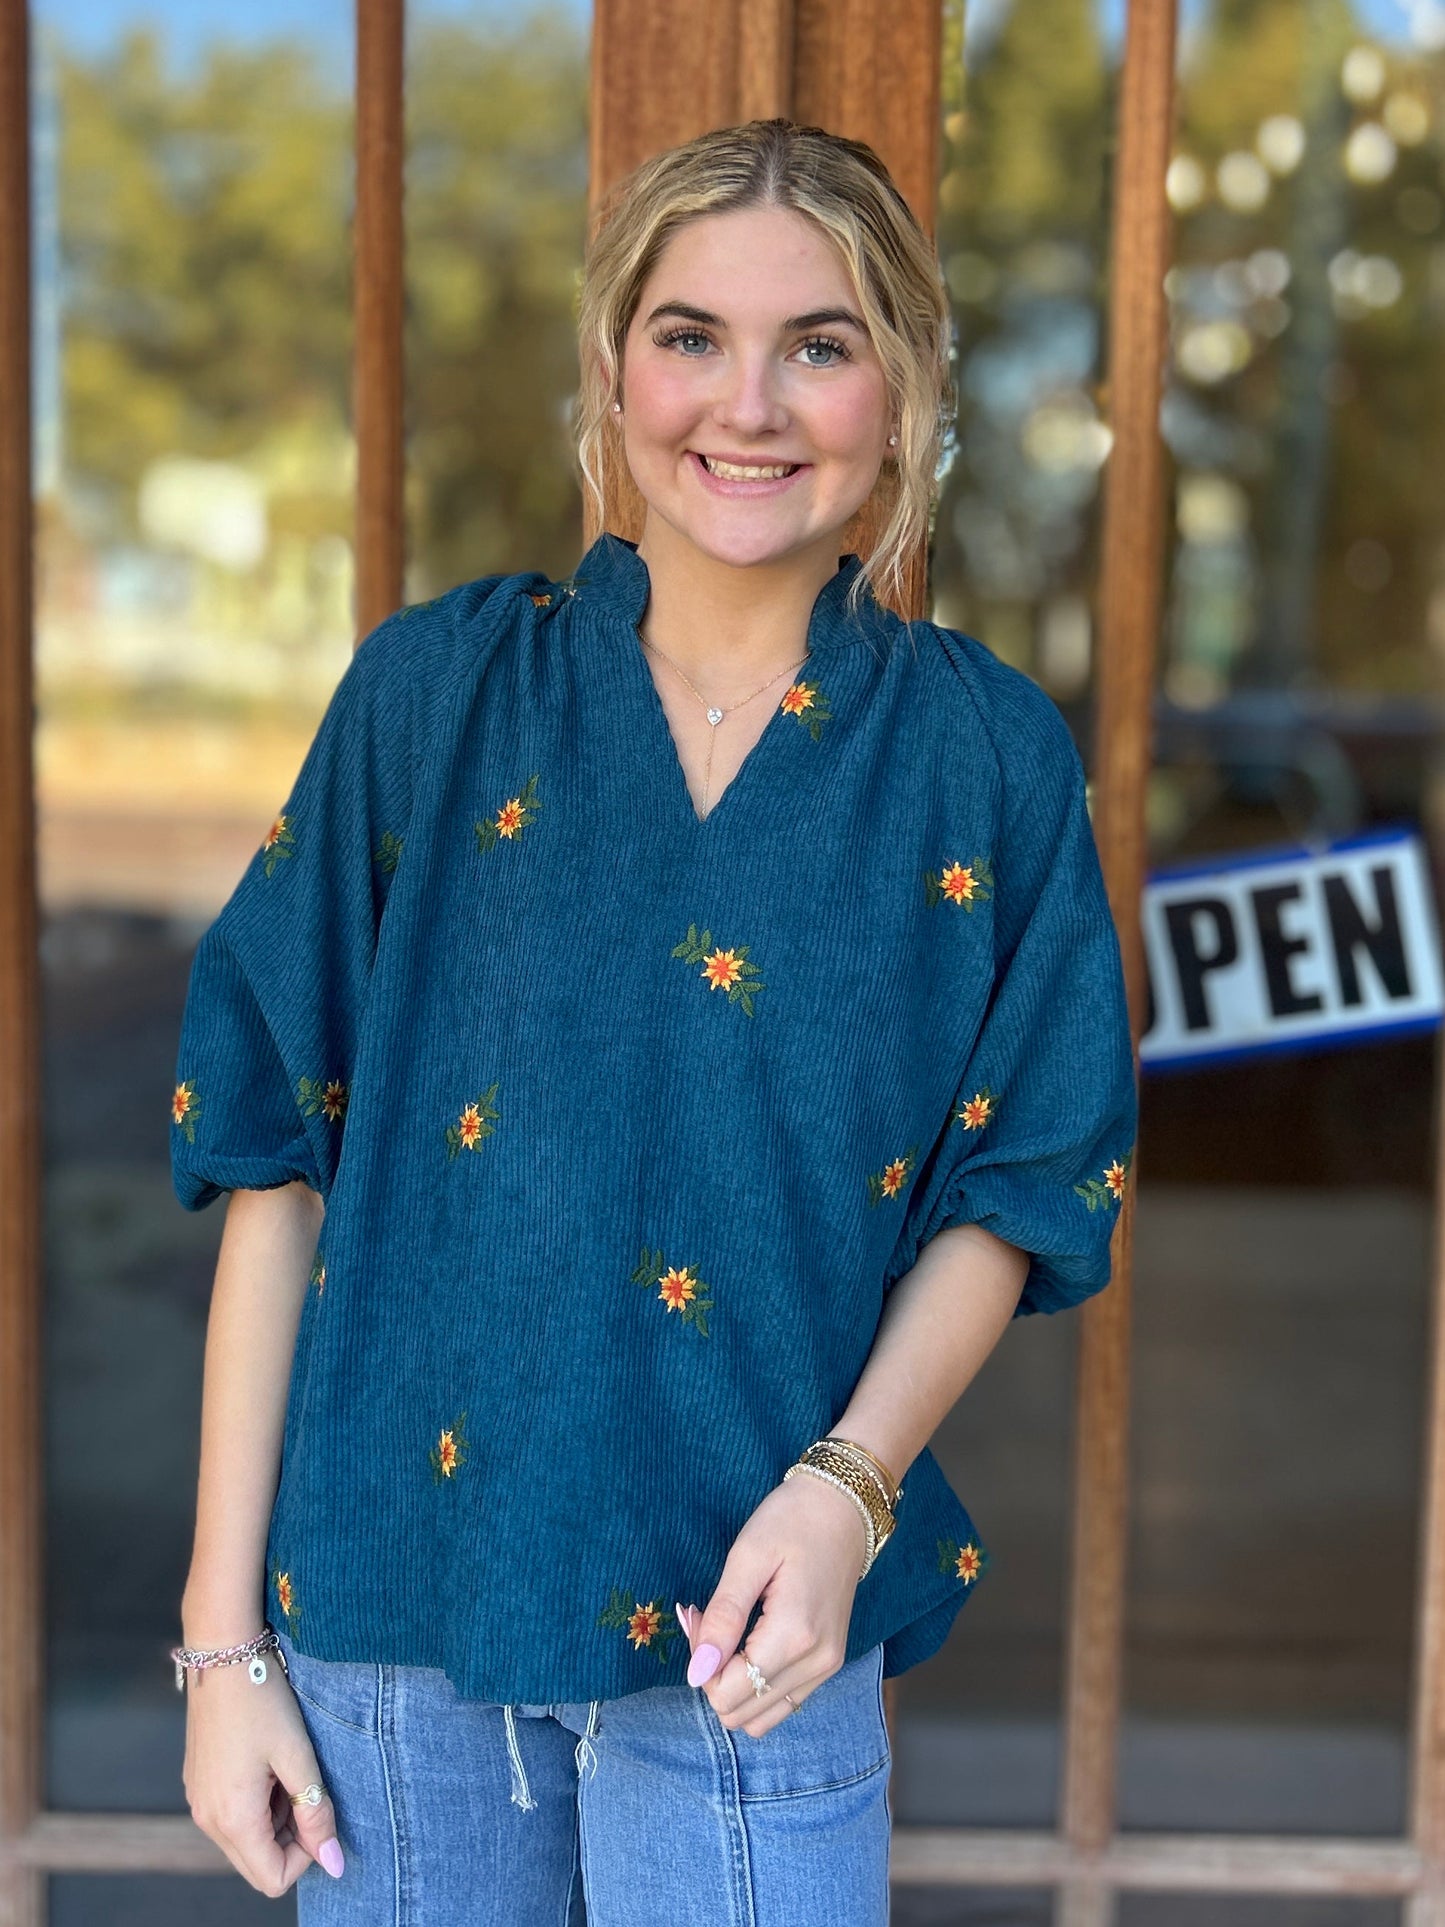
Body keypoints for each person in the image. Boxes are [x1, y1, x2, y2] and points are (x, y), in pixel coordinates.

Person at [169, 117, 1136, 1925]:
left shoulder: (983, 758)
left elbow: (1023, 1180)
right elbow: (271, 1159)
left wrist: (849, 1493)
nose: (748, 404)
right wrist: (222, 1648)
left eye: (819, 344)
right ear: (614, 370)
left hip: (761, 1629)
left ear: (904, 384)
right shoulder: (434, 695)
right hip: (397, 1629)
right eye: (690, 335)